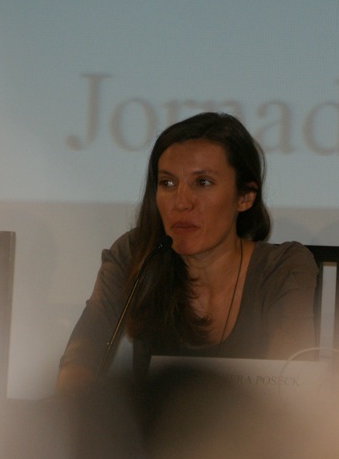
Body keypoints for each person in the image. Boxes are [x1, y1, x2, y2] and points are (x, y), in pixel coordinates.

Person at [56, 112, 317, 394]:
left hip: (253, 424)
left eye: (202, 182)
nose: (181, 202)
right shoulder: (137, 254)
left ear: (245, 197)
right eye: (168, 183)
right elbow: (79, 360)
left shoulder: (282, 268)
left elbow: (293, 392)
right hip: (151, 424)